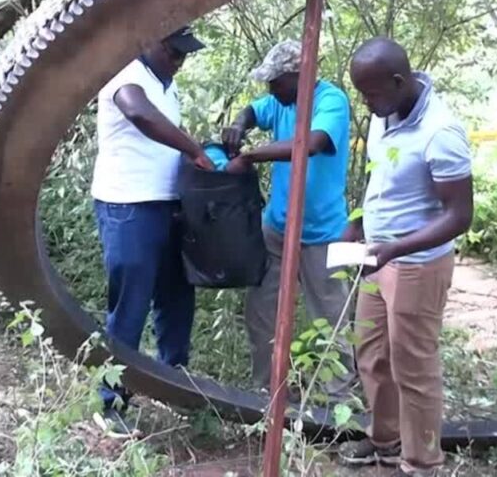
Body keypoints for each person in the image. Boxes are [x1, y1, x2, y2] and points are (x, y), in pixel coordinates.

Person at [337, 37, 473, 477]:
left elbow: (459, 215)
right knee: (372, 355)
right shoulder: (385, 112)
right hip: (379, 256)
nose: (366, 103)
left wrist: (395, 248)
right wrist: (358, 221)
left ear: (399, 81)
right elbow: (383, 180)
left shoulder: (441, 131)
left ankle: (422, 462)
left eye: (371, 93)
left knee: (413, 365)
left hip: (417, 264)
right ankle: (385, 440)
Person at [89, 26, 214, 424]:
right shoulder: (124, 73)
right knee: (131, 304)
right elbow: (138, 112)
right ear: (147, 40)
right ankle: (113, 403)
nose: (180, 60)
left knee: (176, 301)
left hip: (168, 206)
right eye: (173, 51)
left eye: (185, 54)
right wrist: (192, 148)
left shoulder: (166, 85)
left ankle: (172, 382)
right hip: (129, 207)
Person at [221, 40, 355, 401]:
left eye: (276, 81)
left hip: (322, 232)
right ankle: (268, 390)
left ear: (300, 75)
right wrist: (239, 123)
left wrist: (249, 157)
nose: (270, 89)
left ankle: (338, 400)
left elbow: (310, 143)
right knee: (261, 309)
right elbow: (253, 109)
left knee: (330, 314)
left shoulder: (331, 101)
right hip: (277, 228)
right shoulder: (281, 101)